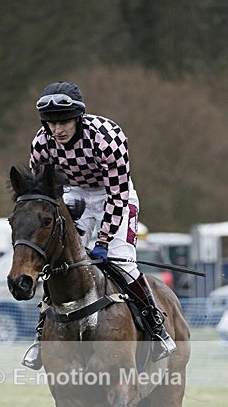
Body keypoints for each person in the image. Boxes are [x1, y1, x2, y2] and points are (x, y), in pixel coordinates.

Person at [22, 80, 176, 369]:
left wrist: (103, 242)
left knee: (124, 263)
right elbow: (42, 194)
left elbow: (117, 195)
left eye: (64, 121)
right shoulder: (41, 144)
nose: (58, 130)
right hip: (74, 195)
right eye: (51, 123)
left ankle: (156, 328)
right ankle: (42, 335)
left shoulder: (107, 137)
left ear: (78, 117)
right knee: (56, 264)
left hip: (112, 194)